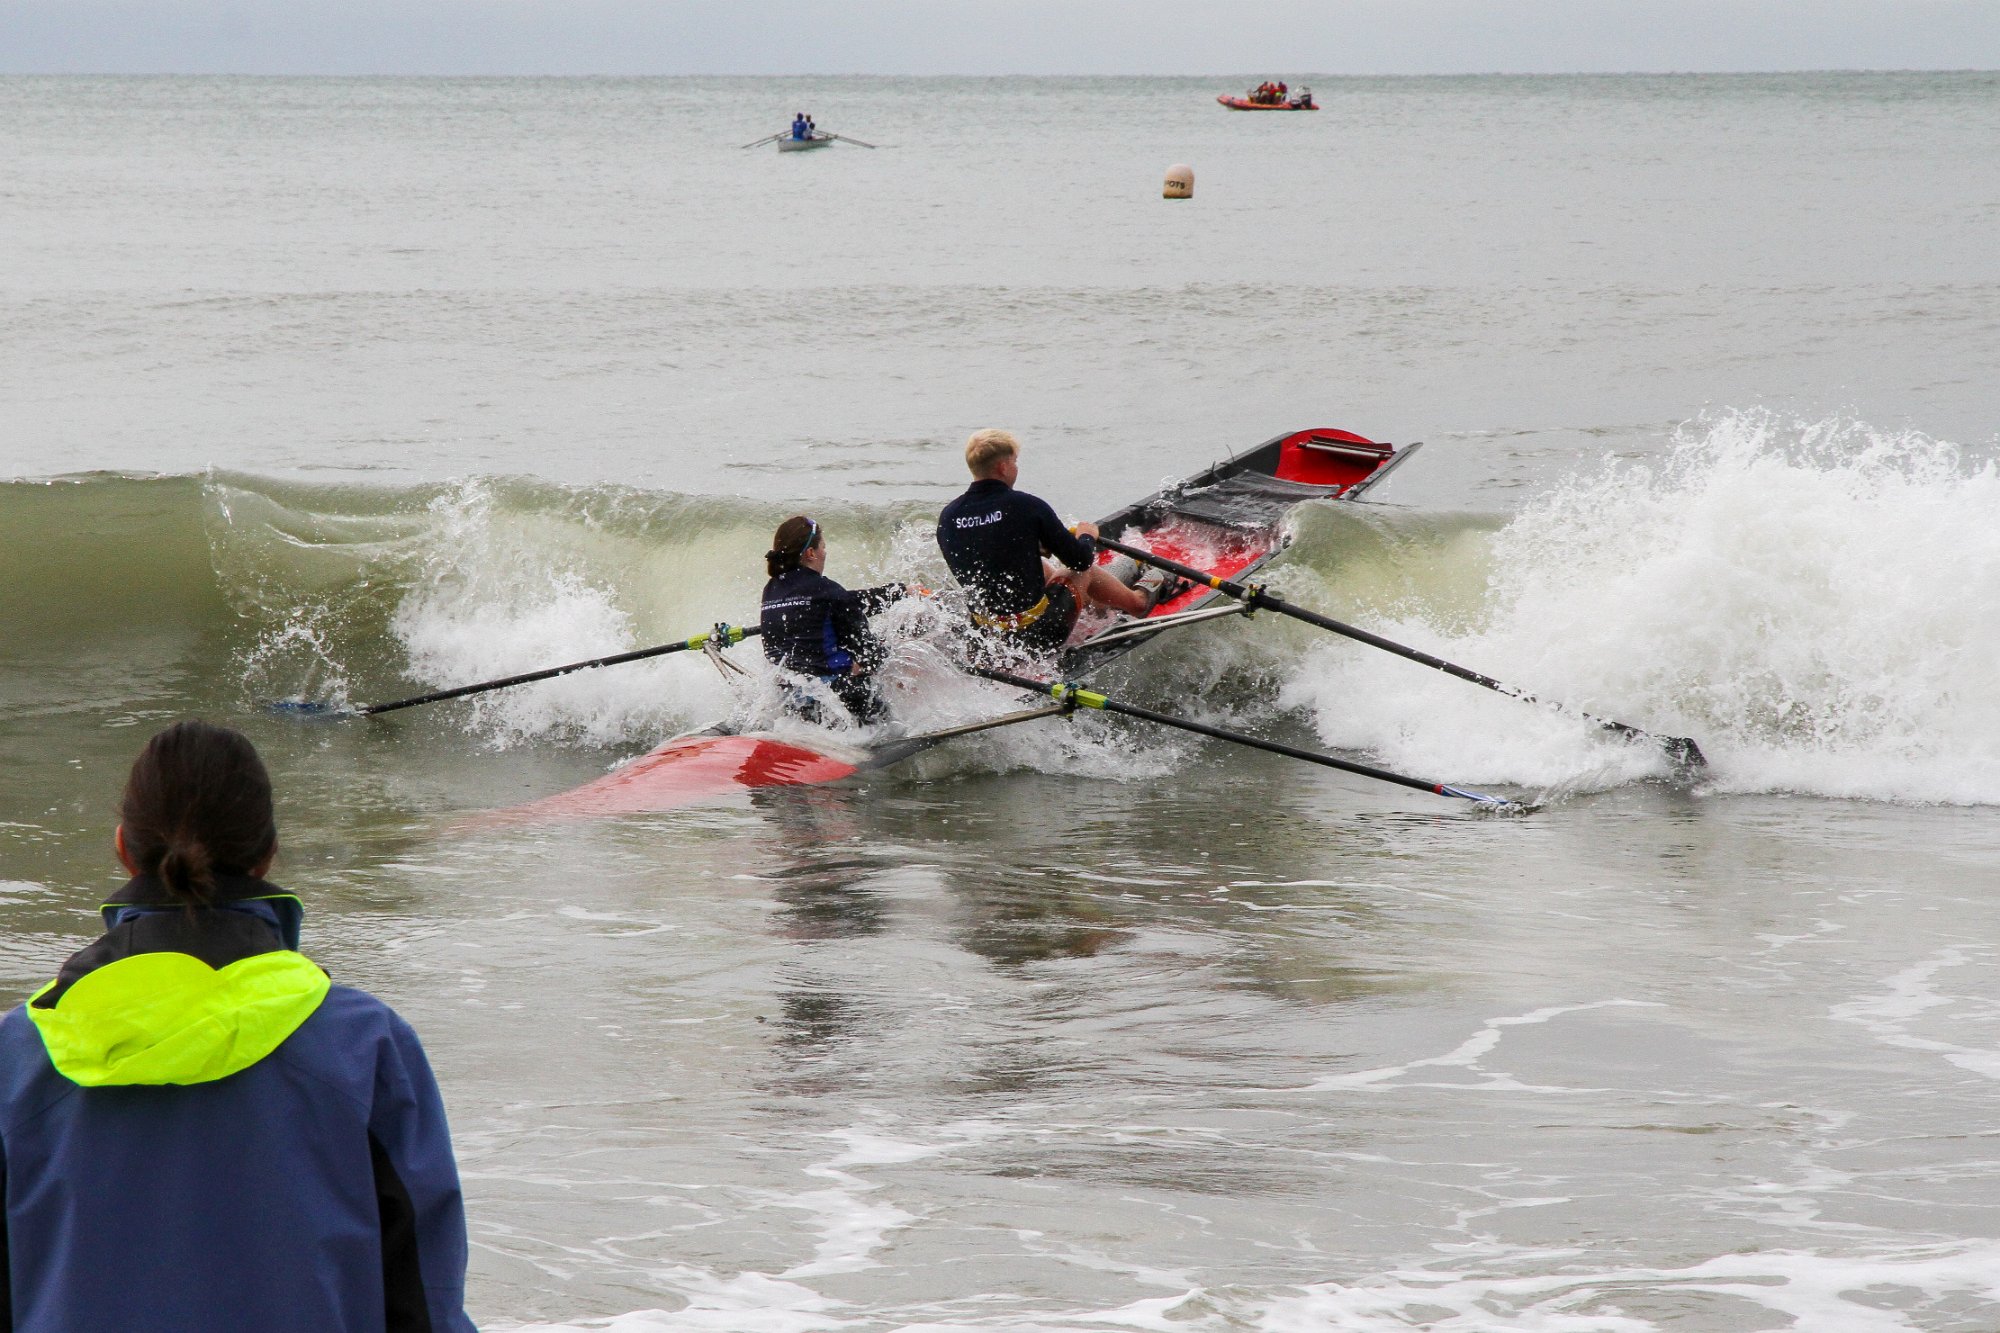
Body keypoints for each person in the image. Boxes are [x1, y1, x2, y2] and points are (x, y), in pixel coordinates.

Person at [0, 721, 476, 1333]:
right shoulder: (365, 1046)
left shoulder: (19, 1054)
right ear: (267, 855)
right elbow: (425, 1303)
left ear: (123, 847)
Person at [935, 429, 1179, 658]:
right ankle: (1138, 602)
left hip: (991, 639)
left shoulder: (948, 516)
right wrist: (1086, 536)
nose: (1016, 468)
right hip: (1039, 634)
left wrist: (1032, 545)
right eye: (1015, 462)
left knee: (1032, 567)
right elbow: (1080, 560)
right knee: (1076, 571)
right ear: (1002, 466)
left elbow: (990, 554)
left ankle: (1097, 604)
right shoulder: (1026, 506)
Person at [761, 515, 905, 724]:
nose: (825, 552)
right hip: (836, 702)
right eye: (823, 547)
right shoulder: (827, 591)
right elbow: (871, 654)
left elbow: (846, 600)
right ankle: (891, 729)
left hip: (788, 700)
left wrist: (899, 591)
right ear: (811, 553)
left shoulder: (771, 589)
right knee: (898, 657)